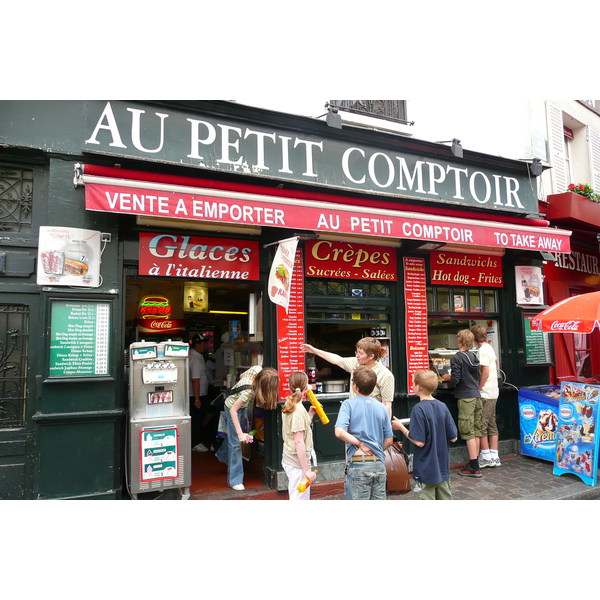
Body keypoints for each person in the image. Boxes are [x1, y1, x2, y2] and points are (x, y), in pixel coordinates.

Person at [392, 369, 457, 499]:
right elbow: (454, 437)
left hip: (426, 470)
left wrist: (401, 428)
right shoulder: (442, 406)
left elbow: (419, 441)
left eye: (413, 383)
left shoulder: (418, 409)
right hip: (443, 468)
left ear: (419, 387)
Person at [215, 365, 279, 491]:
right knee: (235, 444)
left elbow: (242, 375)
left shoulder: (256, 369)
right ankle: (235, 480)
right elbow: (233, 410)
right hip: (232, 407)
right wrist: (240, 434)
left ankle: (222, 456)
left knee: (233, 438)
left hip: (240, 405)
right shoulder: (249, 392)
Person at [334, 365, 394, 500]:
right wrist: (375, 449)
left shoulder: (348, 404)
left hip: (358, 463)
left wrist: (360, 443)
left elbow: (339, 432)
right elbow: (389, 441)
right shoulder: (382, 408)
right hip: (378, 463)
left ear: (354, 386)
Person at [301, 337, 395, 418]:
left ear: (371, 356)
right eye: (356, 352)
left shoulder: (385, 375)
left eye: (360, 353)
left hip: (372, 419)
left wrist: (385, 430)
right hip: (353, 417)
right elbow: (337, 359)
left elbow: (386, 404)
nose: (357, 355)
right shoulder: (356, 363)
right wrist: (314, 351)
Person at [442, 329, 482, 477]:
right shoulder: (474, 356)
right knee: (476, 429)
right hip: (477, 396)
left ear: (459, 341)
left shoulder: (457, 357)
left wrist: (447, 378)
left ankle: (474, 466)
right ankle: (475, 461)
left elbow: (456, 380)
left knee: (467, 431)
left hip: (465, 397)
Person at [281, 371, 317, 500]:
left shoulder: (290, 404)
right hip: (297, 461)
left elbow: (296, 428)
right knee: (299, 498)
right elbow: (298, 441)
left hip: (290, 457)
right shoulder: (298, 410)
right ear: (306, 387)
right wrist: (306, 470)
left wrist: (310, 415)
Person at [471, 325, 501, 468]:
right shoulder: (489, 347)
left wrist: (479, 387)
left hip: (486, 393)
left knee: (481, 426)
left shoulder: (482, 350)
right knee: (491, 424)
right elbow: (495, 363)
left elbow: (485, 372)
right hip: (494, 391)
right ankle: (494, 456)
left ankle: (486, 456)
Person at [189, 334, 210, 452]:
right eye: (202, 344)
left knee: (199, 418)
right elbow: (195, 379)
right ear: (196, 345)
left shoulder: (197, 356)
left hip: (199, 394)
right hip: (197, 395)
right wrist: (197, 399)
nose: (204, 346)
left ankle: (196, 441)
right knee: (197, 420)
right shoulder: (195, 359)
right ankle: (196, 443)